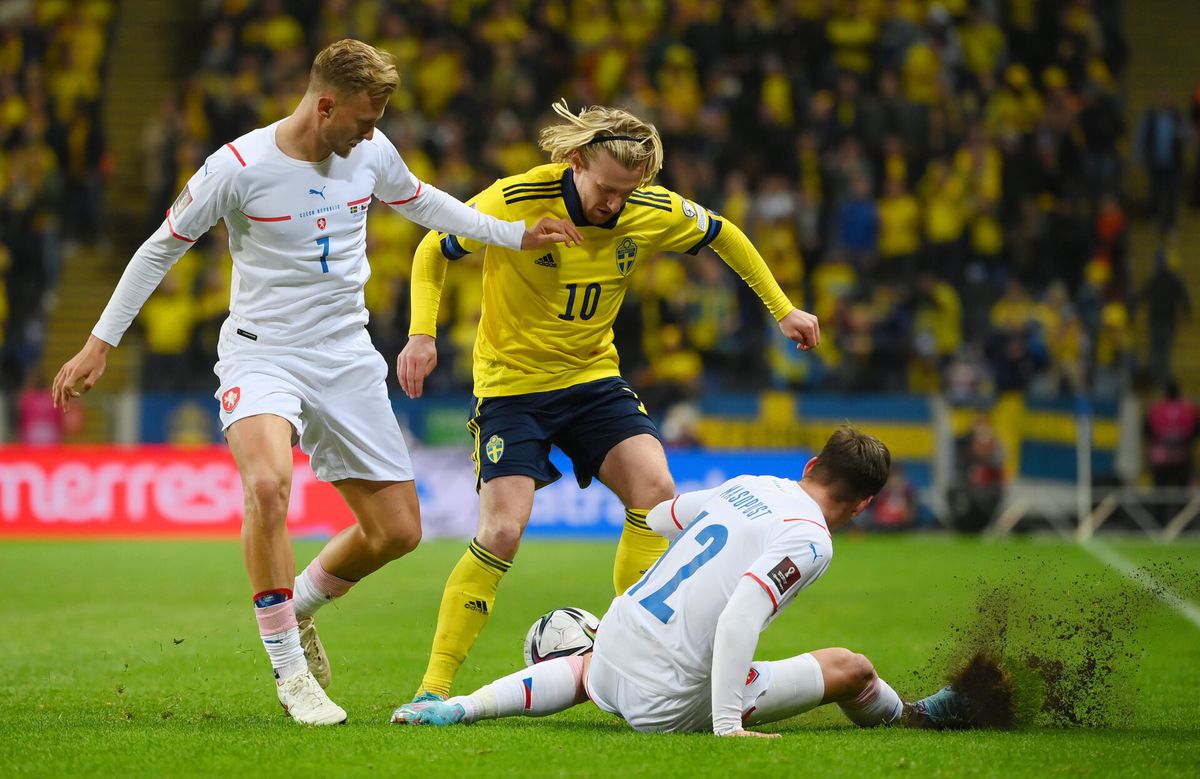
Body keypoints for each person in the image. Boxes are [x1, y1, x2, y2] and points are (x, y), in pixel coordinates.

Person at [50, 39, 581, 726]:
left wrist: (511, 235)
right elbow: (161, 248)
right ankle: (291, 673)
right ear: (324, 104)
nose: (372, 132)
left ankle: (295, 604)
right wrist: (100, 343)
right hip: (262, 353)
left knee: (397, 531)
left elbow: (422, 202)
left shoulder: (370, 151)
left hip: (345, 356)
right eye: (363, 118)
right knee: (268, 484)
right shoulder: (237, 167)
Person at [395, 100, 821, 706]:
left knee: (656, 496)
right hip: (513, 388)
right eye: (607, 189)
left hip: (594, 379)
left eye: (628, 192)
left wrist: (784, 309)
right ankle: (434, 687)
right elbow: (433, 251)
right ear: (575, 162)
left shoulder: (647, 207)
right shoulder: (513, 200)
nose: (615, 204)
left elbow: (724, 234)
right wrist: (421, 333)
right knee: (503, 530)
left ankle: (630, 656)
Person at [392, 427, 971, 734]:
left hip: (612, 644)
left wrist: (714, 519)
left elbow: (666, 516)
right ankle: (914, 715)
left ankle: (457, 709)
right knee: (852, 668)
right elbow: (742, 614)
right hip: (667, 703)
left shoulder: (752, 483)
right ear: (864, 504)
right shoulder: (812, 538)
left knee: (594, 666)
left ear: (812, 467)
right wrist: (726, 724)